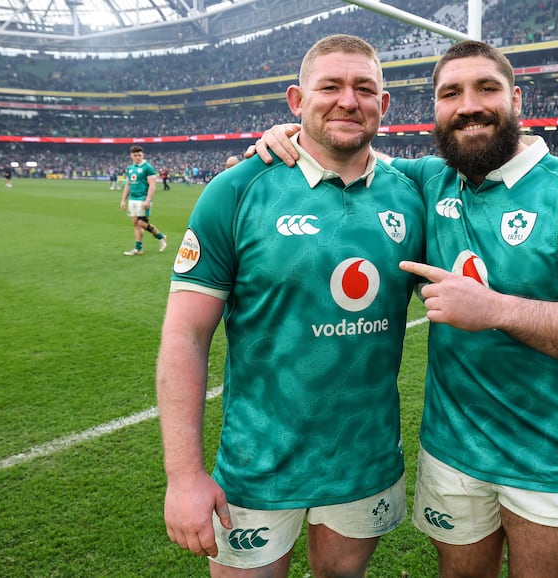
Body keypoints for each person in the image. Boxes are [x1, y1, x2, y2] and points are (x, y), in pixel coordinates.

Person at [252, 39, 558, 578]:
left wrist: (496, 310)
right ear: (435, 109)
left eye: (487, 88)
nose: (469, 105)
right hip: (450, 451)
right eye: (451, 93)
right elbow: (346, 154)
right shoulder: (427, 181)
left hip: (549, 456)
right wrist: (288, 137)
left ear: (516, 99)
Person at [156, 34, 424, 577]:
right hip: (259, 466)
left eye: (364, 89)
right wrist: (184, 477)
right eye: (330, 86)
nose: (348, 100)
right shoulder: (236, 190)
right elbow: (185, 336)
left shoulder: (412, 192)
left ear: (384, 105)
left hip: (364, 462)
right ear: (296, 101)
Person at [119, 145, 168, 255]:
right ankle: (138, 248)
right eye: (135, 155)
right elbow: (127, 185)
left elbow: (152, 185)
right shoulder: (129, 168)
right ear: (131, 156)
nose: (137, 157)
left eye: (139, 155)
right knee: (136, 224)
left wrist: (148, 199)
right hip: (132, 199)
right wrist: (123, 200)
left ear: (143, 155)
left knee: (142, 223)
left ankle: (161, 237)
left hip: (143, 199)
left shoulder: (148, 167)